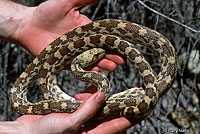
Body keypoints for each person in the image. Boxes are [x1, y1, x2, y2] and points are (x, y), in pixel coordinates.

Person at [0, 0, 147, 133]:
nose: (100, 52)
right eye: (95, 56)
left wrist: (24, 22)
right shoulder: (91, 76)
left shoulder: (79, 61)